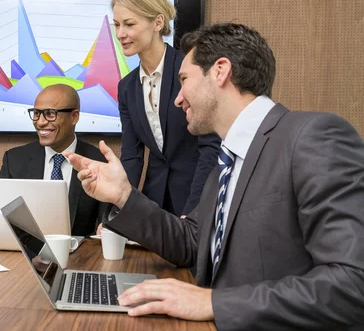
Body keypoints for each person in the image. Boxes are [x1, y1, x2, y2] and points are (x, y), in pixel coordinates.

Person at [64, 23, 364, 330]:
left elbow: (352, 284)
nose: (178, 99)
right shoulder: (226, 161)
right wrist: (123, 195)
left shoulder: (313, 136)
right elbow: (192, 242)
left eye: (183, 80)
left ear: (220, 71)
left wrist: (212, 302)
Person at [112, 0, 219, 215]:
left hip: (197, 197)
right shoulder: (126, 87)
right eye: (116, 24)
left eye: (129, 24)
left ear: (158, 22)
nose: (120, 34)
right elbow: (131, 156)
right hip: (156, 203)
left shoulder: (191, 69)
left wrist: (194, 211)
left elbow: (210, 148)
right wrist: (120, 212)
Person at [0, 84, 106, 236]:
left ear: (74, 116)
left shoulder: (98, 161)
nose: (40, 122)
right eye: (36, 113)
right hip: (26, 254)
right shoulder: (14, 160)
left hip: (79, 255)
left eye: (50, 114)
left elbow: (106, 222)